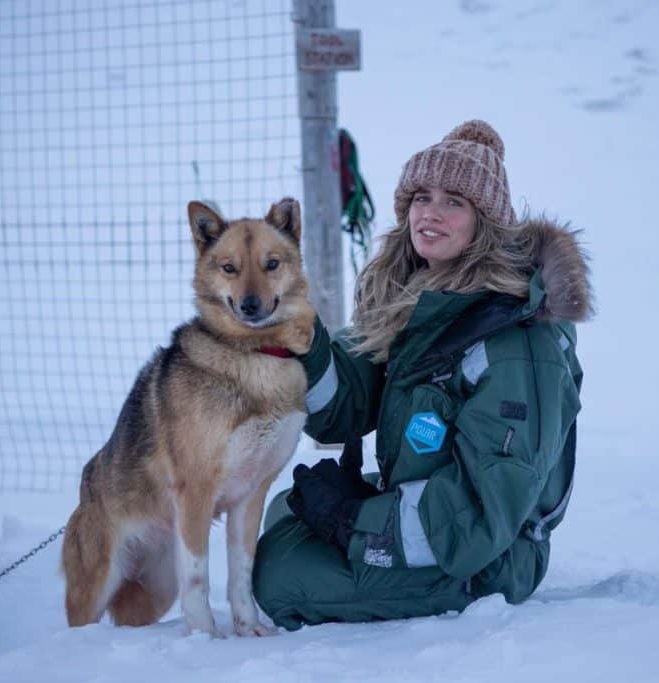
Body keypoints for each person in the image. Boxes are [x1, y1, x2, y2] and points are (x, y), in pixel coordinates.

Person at [252, 120, 593, 630]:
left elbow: (481, 512)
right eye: (421, 196)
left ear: (486, 222)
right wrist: (302, 337)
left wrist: (348, 522)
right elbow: (344, 402)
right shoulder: (419, 299)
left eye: (454, 201)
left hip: (486, 556)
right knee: (286, 511)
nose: (430, 213)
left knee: (282, 574)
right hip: (439, 506)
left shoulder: (515, 337)